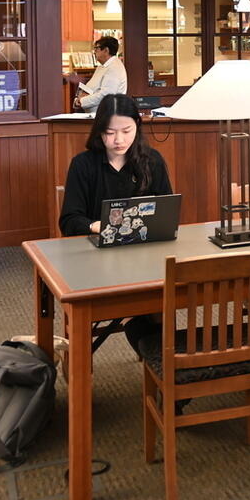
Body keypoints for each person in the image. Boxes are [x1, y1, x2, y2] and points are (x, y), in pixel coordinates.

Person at [58, 93, 171, 351]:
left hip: (144, 257)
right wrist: (97, 226)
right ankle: (145, 336)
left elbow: (166, 210)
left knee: (167, 292)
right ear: (98, 132)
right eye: (109, 132)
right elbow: (69, 220)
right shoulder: (83, 165)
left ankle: (155, 351)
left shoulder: (152, 161)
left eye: (126, 131)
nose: (119, 140)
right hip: (95, 259)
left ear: (137, 128)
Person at [71, 36, 127, 113]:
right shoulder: (102, 67)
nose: (94, 52)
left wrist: (82, 101)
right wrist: (80, 97)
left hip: (106, 116)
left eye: (96, 49)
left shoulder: (114, 68)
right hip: (95, 114)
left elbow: (106, 95)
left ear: (106, 50)